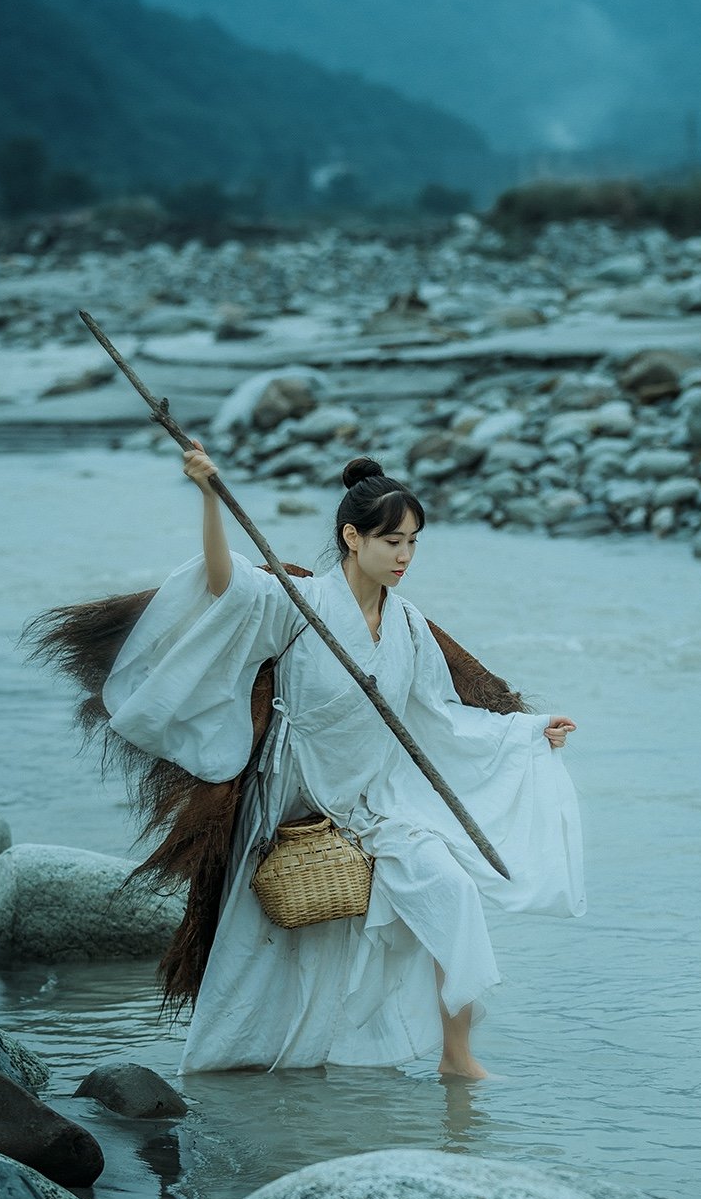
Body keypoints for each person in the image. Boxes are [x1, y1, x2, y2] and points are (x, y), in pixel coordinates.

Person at [102, 449, 585, 1079]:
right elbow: (226, 585)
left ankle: (457, 1056)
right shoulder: (301, 603)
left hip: (378, 801)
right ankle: (235, 1072)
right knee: (271, 942)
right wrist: (210, 498)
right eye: (391, 541)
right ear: (351, 538)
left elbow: (439, 715)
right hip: (294, 797)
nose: (405, 556)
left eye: (414, 542)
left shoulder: (407, 624)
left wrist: (525, 733)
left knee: (454, 890)